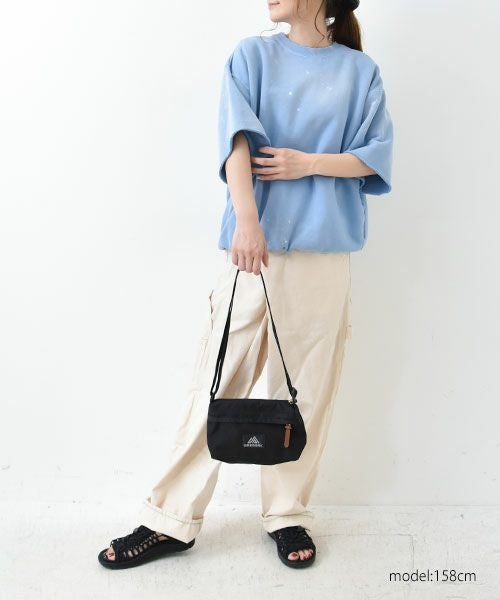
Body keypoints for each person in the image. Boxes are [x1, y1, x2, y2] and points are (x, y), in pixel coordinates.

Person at [98, 0, 393, 570]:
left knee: (306, 393)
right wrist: (248, 220)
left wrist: (308, 163)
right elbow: (236, 140)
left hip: (323, 255)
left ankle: (286, 514)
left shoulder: (360, 71)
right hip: (253, 247)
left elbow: (374, 157)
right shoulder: (252, 56)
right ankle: (170, 520)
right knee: (215, 379)